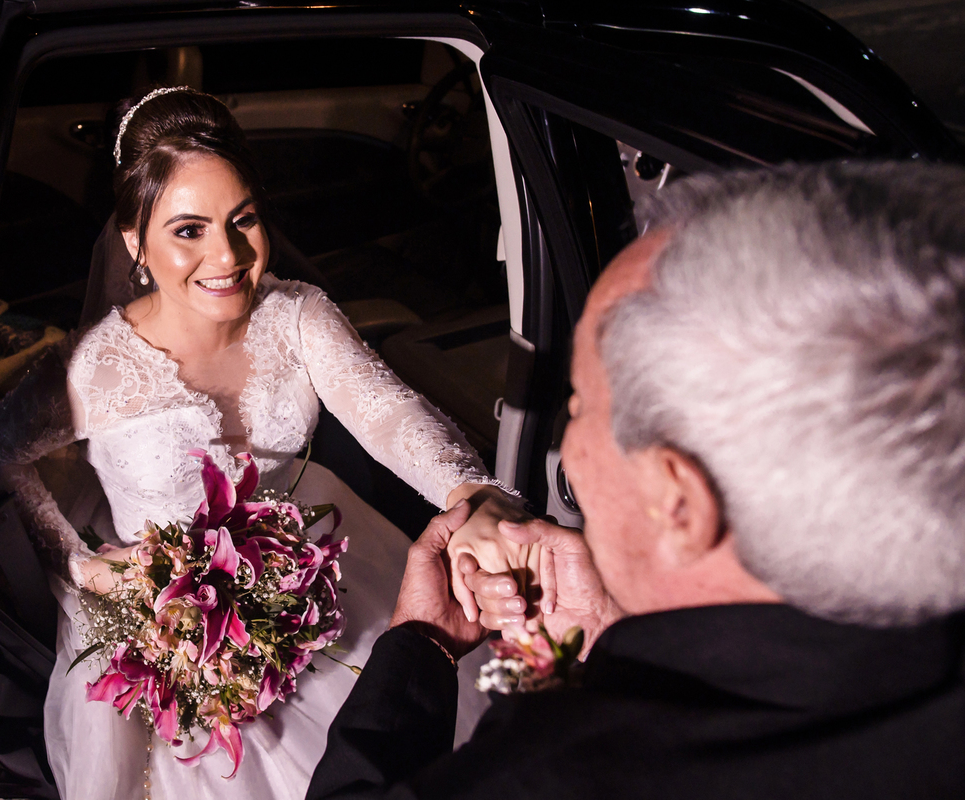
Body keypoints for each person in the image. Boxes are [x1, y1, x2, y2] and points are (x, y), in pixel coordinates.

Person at [307, 161, 965, 799]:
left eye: (581, 407)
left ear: (678, 503)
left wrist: (424, 644)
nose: (569, 446)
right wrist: (604, 635)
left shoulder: (557, 774)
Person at [0, 86, 529, 800]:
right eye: (189, 230)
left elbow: (389, 414)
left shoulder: (297, 314)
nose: (228, 254)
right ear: (134, 242)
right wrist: (83, 567)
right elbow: (2, 451)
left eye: (242, 219)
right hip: (170, 620)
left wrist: (470, 490)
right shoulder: (91, 368)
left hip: (317, 570)